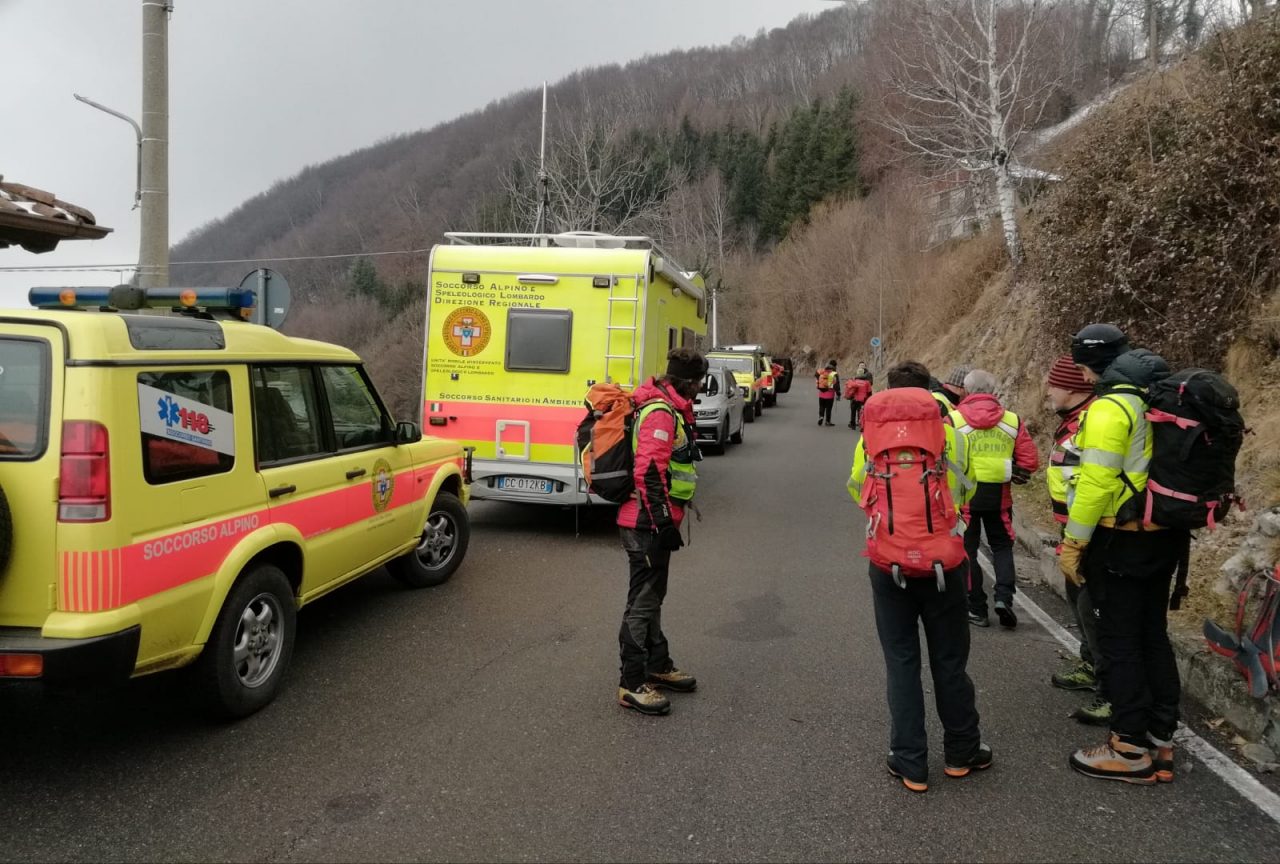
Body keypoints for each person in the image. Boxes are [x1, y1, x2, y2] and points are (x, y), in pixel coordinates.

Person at [849, 360, 990, 793]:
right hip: (945, 562)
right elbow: (967, 488)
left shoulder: (871, 433)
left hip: (888, 563)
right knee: (950, 660)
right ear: (929, 391)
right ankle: (961, 752)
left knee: (902, 662)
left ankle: (910, 762)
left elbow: (857, 486)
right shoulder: (950, 430)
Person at [1059, 324, 1183, 785]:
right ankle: (1160, 741)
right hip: (1163, 534)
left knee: (1120, 638)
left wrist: (1074, 542)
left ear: (1087, 363)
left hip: (1121, 538)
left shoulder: (1113, 406)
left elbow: (1096, 482)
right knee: (1152, 633)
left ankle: (1128, 747)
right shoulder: (1155, 395)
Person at [616, 347, 708, 716]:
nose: (700, 389)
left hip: (650, 517)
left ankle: (657, 663)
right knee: (641, 601)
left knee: (653, 594)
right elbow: (649, 470)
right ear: (685, 381)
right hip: (645, 521)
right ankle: (632, 682)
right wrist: (662, 522)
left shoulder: (666, 408)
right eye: (698, 382)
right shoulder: (660, 412)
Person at [1043, 354, 1111, 727]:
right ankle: (1090, 664)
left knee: (1093, 607)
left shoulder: (1092, 420)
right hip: (1074, 527)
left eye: (1053, 384)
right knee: (1077, 597)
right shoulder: (1073, 419)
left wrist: (1080, 535)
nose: (1048, 390)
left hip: (1094, 531)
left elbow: (1097, 481)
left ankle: (1111, 690)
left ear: (1074, 387)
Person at [949, 370, 1040, 629]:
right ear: (993, 391)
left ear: (965, 391)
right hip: (999, 497)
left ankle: (976, 608)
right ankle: (1005, 599)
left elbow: (942, 456)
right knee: (1001, 547)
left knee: (967, 549)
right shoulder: (1011, 420)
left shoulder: (953, 419)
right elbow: (1030, 461)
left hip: (965, 497)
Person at [845, 363, 873, 429]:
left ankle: (852, 424)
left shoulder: (854, 381)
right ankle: (861, 424)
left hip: (854, 399)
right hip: (862, 400)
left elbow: (849, 389)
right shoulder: (867, 382)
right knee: (860, 412)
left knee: (853, 412)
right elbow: (869, 392)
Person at [816, 359, 839, 426]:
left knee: (821, 406)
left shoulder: (822, 372)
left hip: (821, 393)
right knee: (829, 408)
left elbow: (817, 378)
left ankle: (821, 416)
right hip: (830, 394)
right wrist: (838, 393)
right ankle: (827, 421)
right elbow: (836, 385)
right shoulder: (834, 374)